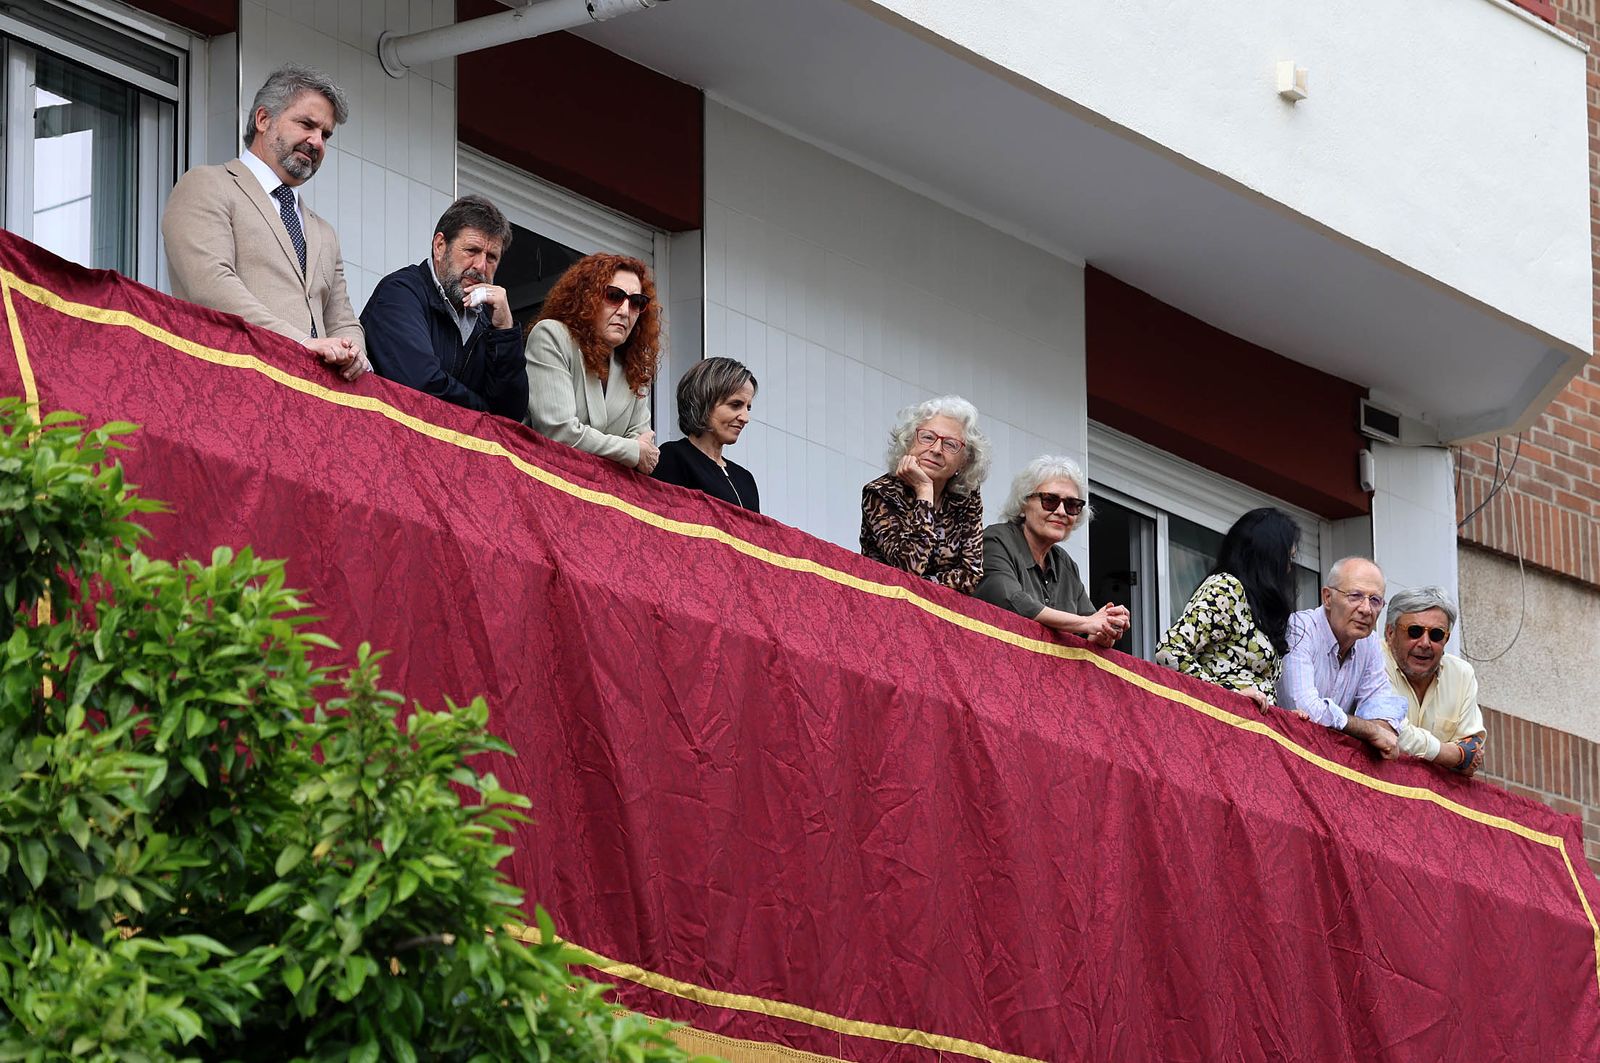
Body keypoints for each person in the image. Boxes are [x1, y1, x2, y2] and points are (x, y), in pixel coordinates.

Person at [162, 65, 367, 381]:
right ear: (262, 119)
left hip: (313, 404)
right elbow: (211, 286)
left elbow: (341, 319)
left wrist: (353, 353)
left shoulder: (323, 232)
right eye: (306, 125)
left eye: (325, 134)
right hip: (230, 385)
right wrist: (299, 343)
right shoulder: (207, 184)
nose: (317, 142)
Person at [361, 195, 526, 417]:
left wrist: (505, 331)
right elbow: (421, 386)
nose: (480, 266)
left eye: (492, 257)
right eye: (472, 251)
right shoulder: (400, 292)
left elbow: (512, 416)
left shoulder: (490, 324)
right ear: (440, 246)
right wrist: (487, 417)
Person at [524, 253, 660, 472]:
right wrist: (631, 450)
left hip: (603, 498)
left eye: (637, 302)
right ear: (587, 297)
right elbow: (559, 432)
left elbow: (644, 448)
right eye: (614, 296)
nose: (625, 311)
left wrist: (634, 450)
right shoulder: (552, 335)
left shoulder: (634, 367)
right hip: (546, 486)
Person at [974, 456, 1128, 645]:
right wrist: (1088, 622)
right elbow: (1013, 601)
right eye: (1050, 500)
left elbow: (1090, 635)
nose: (1062, 512)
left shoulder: (1066, 565)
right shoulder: (996, 539)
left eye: (1072, 505)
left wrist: (1109, 626)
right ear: (1023, 504)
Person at [1155, 508, 1298, 710]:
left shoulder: (1254, 605)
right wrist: (1227, 697)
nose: (1288, 569)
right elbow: (1169, 651)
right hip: (1219, 729)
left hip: (1245, 732)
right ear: (1268, 557)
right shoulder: (1227, 588)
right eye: (1287, 559)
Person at [1279, 557, 1410, 757]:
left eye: (1375, 600)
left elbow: (1382, 707)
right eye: (1355, 596)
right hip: (1283, 758)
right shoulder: (1300, 628)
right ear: (1328, 598)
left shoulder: (1369, 642)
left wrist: (1379, 730)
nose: (1366, 609)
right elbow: (1305, 709)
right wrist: (1370, 731)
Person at [860, 396, 989, 594]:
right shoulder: (881, 493)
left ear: (964, 460)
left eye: (951, 445)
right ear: (909, 442)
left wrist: (926, 583)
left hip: (940, 614)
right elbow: (908, 569)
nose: (936, 450)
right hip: (884, 606)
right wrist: (924, 490)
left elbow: (971, 576)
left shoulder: (966, 498)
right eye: (928, 437)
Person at [1383, 587, 1486, 775]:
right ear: (1390, 633)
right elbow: (1389, 732)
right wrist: (1449, 754)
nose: (1425, 643)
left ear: (1446, 640)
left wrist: (1458, 756)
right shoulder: (1373, 659)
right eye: (1414, 631)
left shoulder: (1462, 674)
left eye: (1436, 634)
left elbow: (1473, 749)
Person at [652, 358, 760, 512]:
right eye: (735, 405)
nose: (745, 418)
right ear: (704, 402)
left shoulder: (746, 479)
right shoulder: (673, 457)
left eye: (747, 408)